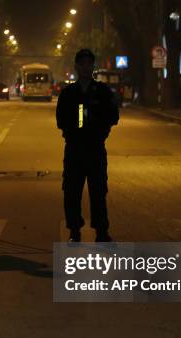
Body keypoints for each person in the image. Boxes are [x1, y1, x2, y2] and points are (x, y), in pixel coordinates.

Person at [56, 49, 119, 242]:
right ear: (76, 66)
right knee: (72, 192)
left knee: (98, 192)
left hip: (95, 148)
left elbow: (113, 116)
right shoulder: (68, 93)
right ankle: (74, 229)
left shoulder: (102, 91)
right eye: (81, 64)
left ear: (93, 67)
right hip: (75, 148)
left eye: (88, 64)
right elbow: (61, 119)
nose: (85, 67)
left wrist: (99, 128)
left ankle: (101, 230)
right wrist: (74, 129)